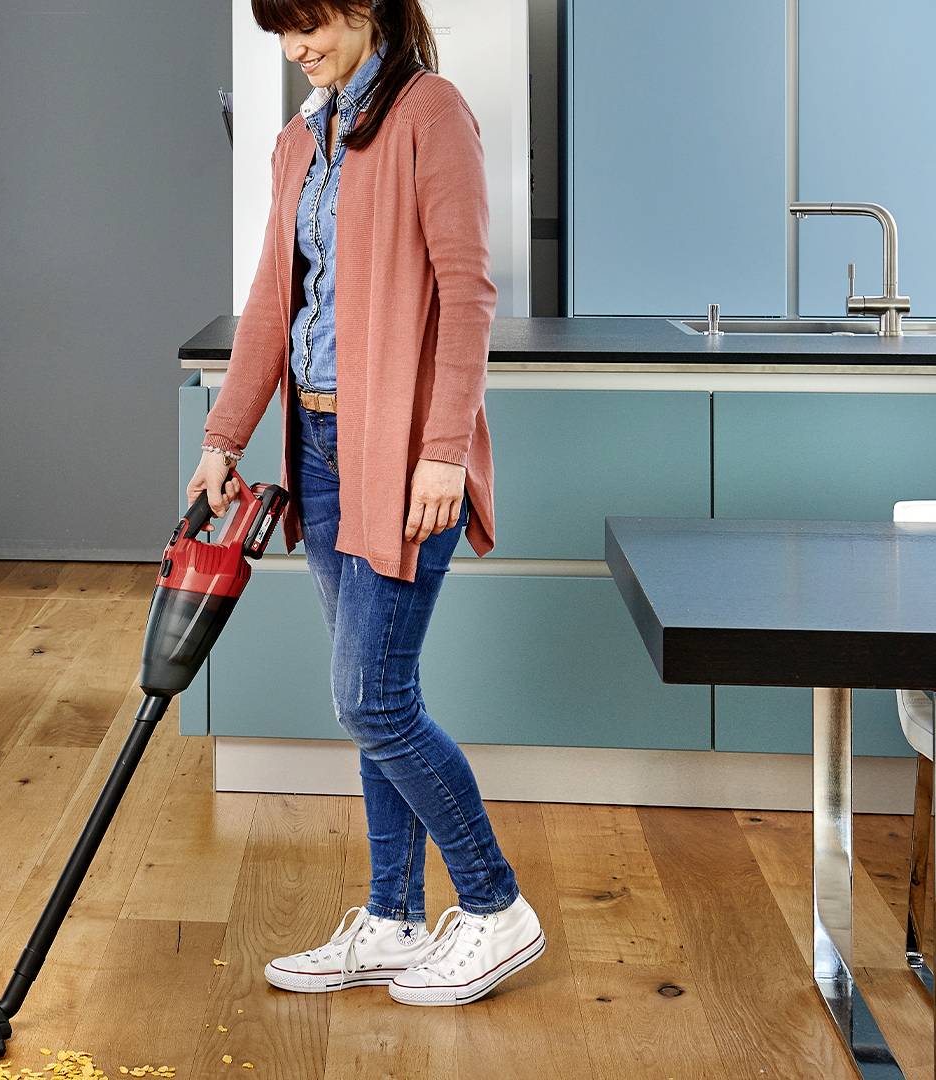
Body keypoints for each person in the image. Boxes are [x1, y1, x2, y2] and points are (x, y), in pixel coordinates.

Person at [186, 0, 544, 1007]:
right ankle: (392, 919)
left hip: (400, 452)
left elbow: (467, 292)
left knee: (372, 699)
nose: (299, 45)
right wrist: (224, 436)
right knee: (378, 703)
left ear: (368, 8)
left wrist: (443, 452)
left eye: (314, 21)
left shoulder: (432, 112)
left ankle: (494, 904)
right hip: (320, 445)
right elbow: (273, 299)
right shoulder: (301, 138)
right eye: (283, 28)